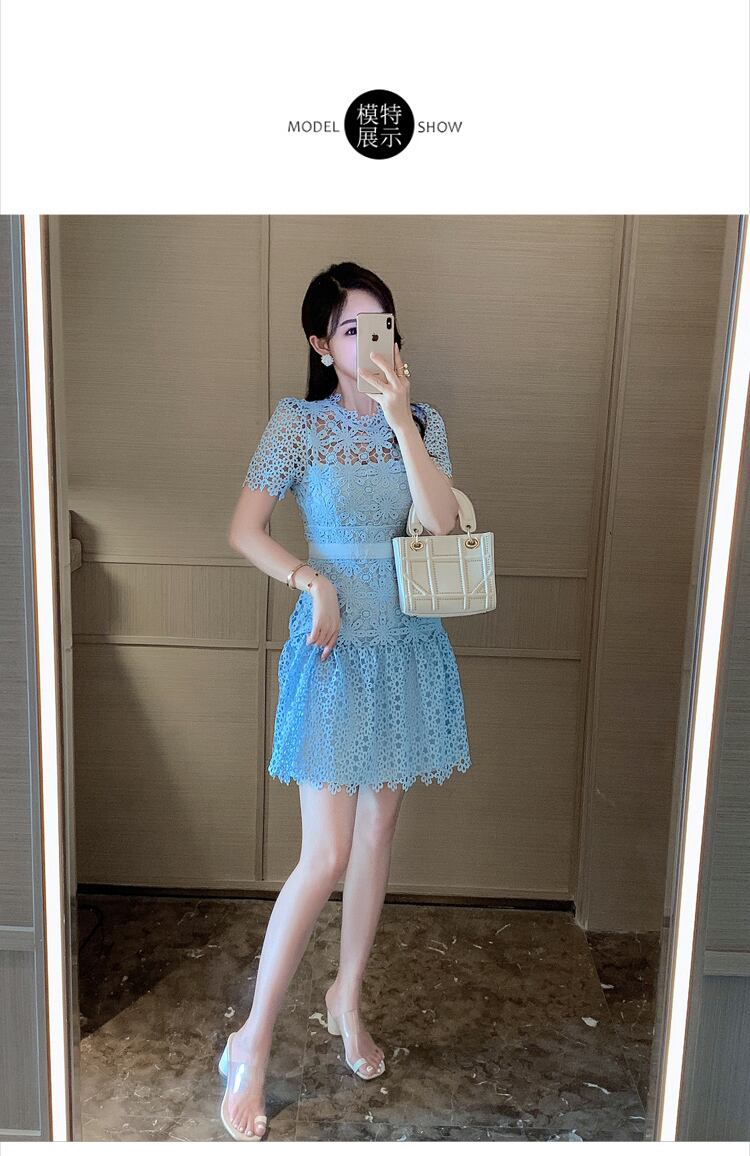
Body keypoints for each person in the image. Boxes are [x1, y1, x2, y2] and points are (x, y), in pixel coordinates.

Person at [222, 261, 472, 1139]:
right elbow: (244, 528)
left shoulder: (423, 422)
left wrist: (402, 420)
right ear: (322, 345)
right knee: (324, 852)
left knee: (378, 831)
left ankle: (347, 997)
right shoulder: (298, 424)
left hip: (404, 644)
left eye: (383, 324)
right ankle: (251, 1041)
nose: (372, 341)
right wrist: (309, 579)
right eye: (354, 328)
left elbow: (441, 524)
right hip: (331, 649)